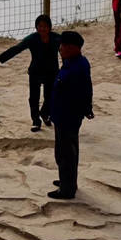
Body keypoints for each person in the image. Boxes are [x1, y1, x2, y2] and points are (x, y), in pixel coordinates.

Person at [0, 14, 61, 132]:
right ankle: (36, 121)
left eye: (45, 26)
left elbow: (68, 48)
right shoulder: (32, 39)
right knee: (34, 98)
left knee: (51, 96)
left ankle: (45, 114)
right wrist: (0, 57)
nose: (42, 29)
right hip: (35, 72)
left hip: (52, 72)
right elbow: (17, 48)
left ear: (50, 27)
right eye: (40, 26)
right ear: (36, 27)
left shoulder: (57, 38)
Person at [49, 31, 94, 200]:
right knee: (63, 151)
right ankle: (67, 181)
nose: (60, 49)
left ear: (73, 48)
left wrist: (84, 109)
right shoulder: (72, 62)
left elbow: (83, 92)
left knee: (66, 152)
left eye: (63, 46)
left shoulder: (77, 67)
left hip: (68, 116)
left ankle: (67, 190)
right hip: (62, 115)